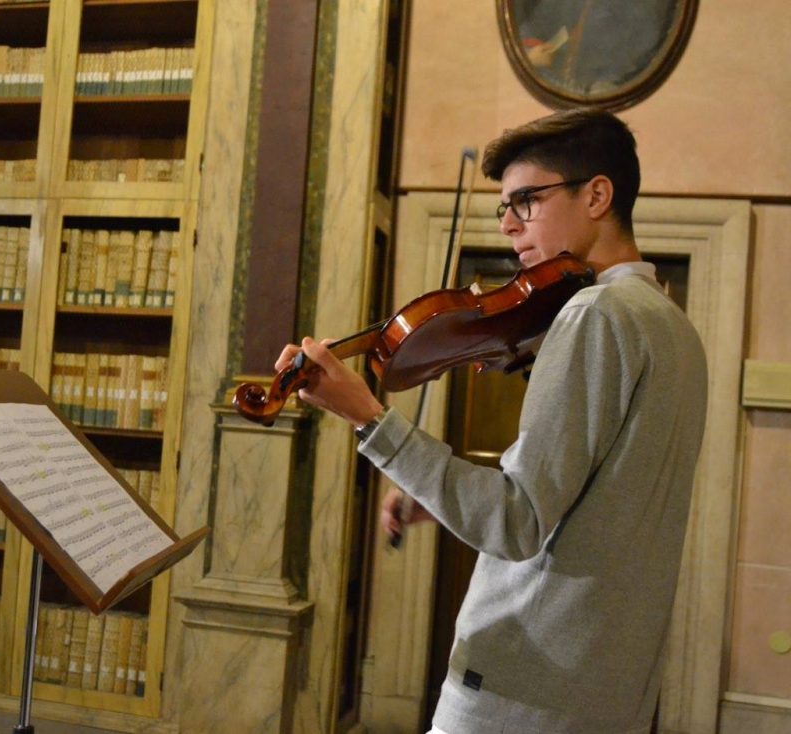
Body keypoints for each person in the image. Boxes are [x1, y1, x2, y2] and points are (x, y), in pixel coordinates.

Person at [275, 108, 707, 733]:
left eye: (526, 201)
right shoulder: (674, 327)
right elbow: (593, 504)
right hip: (607, 695)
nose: (508, 225)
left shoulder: (596, 315)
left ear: (597, 194)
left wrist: (370, 417)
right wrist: (443, 495)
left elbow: (517, 520)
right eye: (504, 207)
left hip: (523, 695)